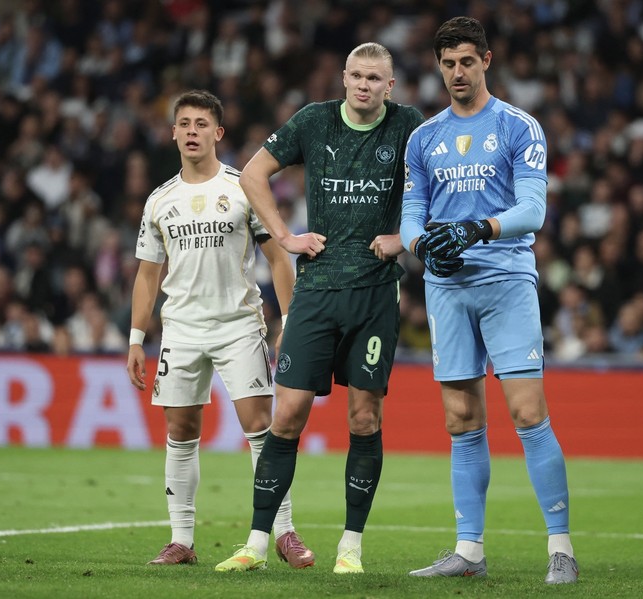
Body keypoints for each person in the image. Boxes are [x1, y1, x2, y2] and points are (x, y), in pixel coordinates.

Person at [214, 42, 424, 574]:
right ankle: (257, 545)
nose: (363, 85)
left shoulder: (409, 126)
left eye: (375, 78)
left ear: (390, 86)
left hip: (375, 293)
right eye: (355, 75)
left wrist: (405, 237)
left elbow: (439, 186)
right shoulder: (314, 121)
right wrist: (284, 235)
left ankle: (350, 548)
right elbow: (251, 174)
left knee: (364, 416)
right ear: (343, 77)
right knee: (285, 416)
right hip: (315, 292)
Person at [400, 17, 578, 585]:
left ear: (487, 61)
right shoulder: (423, 138)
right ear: (439, 66)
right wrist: (421, 244)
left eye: (467, 62)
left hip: (505, 282)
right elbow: (410, 215)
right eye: (448, 63)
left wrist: (479, 229)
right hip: (447, 287)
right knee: (460, 418)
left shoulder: (519, 127)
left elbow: (533, 211)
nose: (457, 72)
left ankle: (561, 548)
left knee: (527, 412)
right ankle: (469, 551)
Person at [126, 89, 314, 568]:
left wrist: (289, 320)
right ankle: (182, 541)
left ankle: (285, 532)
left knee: (261, 430)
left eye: (201, 124)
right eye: (184, 123)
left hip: (237, 325)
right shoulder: (159, 200)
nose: (192, 132)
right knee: (181, 432)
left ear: (218, 133)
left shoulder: (241, 188)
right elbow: (148, 274)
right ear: (172, 132)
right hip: (181, 330)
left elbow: (277, 258)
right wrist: (135, 339)